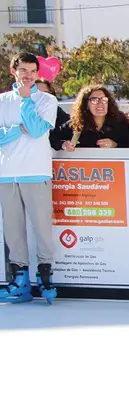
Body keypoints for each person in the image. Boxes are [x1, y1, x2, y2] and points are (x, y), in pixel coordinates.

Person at [0, 52, 58, 303]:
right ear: (14, 71)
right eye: (23, 70)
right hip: (7, 174)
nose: (28, 76)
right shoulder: (2, 100)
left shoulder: (46, 100)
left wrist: (25, 102)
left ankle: (45, 275)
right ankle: (19, 280)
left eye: (33, 71)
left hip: (36, 172)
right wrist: (15, 130)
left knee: (42, 228)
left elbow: (35, 130)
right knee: (13, 230)